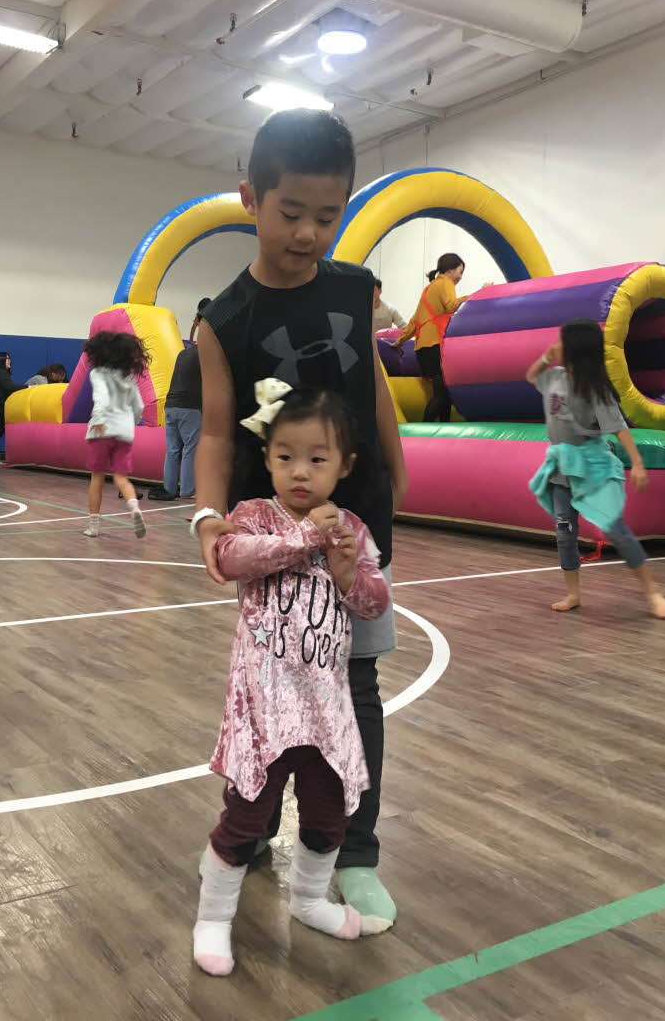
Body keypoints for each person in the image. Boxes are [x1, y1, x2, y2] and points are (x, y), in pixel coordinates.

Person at [193, 108, 407, 934]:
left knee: (358, 684)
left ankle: (354, 851)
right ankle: (248, 829)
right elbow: (218, 433)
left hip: (355, 529)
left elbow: (374, 388)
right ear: (251, 198)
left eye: (329, 214)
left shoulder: (356, 290)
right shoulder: (225, 318)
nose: (310, 232)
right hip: (271, 538)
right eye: (291, 212)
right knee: (265, 690)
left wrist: (397, 469)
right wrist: (209, 519)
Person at [194, 383, 390, 976]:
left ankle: (308, 900)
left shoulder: (352, 529)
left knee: (330, 813)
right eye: (285, 457)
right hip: (264, 709)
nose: (299, 471)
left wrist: (348, 571)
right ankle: (213, 918)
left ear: (344, 465)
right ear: (267, 458)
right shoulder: (255, 514)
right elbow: (232, 558)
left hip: (327, 709)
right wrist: (305, 536)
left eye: (316, 458)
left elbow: (374, 603)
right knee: (247, 817)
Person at [526, 319, 665, 618]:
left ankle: (653, 592)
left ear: (576, 349)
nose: (557, 345)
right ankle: (573, 594)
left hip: (591, 466)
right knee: (565, 533)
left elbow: (618, 428)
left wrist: (638, 463)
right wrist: (545, 357)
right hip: (561, 469)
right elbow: (531, 376)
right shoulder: (554, 376)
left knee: (615, 529)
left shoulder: (594, 389)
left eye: (562, 341)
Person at [395, 254, 490, 422]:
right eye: (460, 271)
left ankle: (443, 428)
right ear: (450, 270)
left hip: (423, 347)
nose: (461, 276)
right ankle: (424, 428)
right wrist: (479, 293)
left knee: (443, 392)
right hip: (434, 345)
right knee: (443, 393)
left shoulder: (430, 288)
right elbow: (452, 305)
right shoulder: (445, 282)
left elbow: (414, 322)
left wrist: (399, 342)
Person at [81, 330, 148, 539]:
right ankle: (134, 507)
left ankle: (93, 526)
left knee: (97, 477)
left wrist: (99, 420)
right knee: (121, 477)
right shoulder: (128, 376)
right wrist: (131, 423)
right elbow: (139, 406)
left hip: (102, 429)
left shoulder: (98, 373)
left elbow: (101, 398)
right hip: (124, 431)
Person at [148, 334, 202, 502]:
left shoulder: (183, 353)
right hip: (189, 406)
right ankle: (187, 490)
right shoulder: (205, 354)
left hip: (170, 404)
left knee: (172, 450)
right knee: (190, 448)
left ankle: (169, 488)